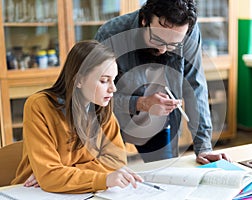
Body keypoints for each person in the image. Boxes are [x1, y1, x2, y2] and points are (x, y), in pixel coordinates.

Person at [95, 0, 231, 163]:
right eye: (157, 39)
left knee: (165, 174)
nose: (163, 50)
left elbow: (195, 87)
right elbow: (96, 96)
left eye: (173, 44)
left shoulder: (188, 33)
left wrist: (204, 147)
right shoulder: (111, 34)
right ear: (144, 20)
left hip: (159, 121)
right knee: (111, 173)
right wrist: (141, 103)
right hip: (114, 119)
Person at [11, 40, 143, 193]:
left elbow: (116, 162)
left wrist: (62, 174)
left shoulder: (102, 109)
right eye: (104, 81)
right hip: (31, 192)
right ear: (79, 80)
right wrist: (102, 177)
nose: (113, 88)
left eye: (113, 80)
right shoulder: (39, 106)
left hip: (75, 191)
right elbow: (49, 176)